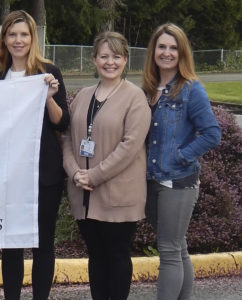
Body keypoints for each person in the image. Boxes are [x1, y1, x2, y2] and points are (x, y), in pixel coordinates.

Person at [62, 31, 151, 300]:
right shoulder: (83, 95)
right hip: (84, 194)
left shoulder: (135, 98)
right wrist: (75, 172)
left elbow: (130, 146)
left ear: (125, 60)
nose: (109, 62)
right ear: (94, 59)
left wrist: (95, 175)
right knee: (96, 256)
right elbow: (66, 138)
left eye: (116, 56)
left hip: (118, 195)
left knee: (117, 256)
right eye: (103, 56)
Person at [0, 10, 69, 300]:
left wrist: (48, 98)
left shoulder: (48, 73)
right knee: (11, 244)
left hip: (44, 173)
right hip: (8, 174)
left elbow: (62, 122)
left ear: (32, 38)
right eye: (12, 34)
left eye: (24, 34)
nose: (18, 40)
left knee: (43, 243)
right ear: (5, 39)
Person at [142, 23, 221, 300]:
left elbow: (212, 133)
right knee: (178, 248)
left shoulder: (190, 89)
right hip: (151, 180)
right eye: (162, 46)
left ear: (182, 52)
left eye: (173, 47)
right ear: (153, 51)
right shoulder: (149, 88)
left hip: (178, 181)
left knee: (169, 251)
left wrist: (181, 155)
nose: (167, 52)